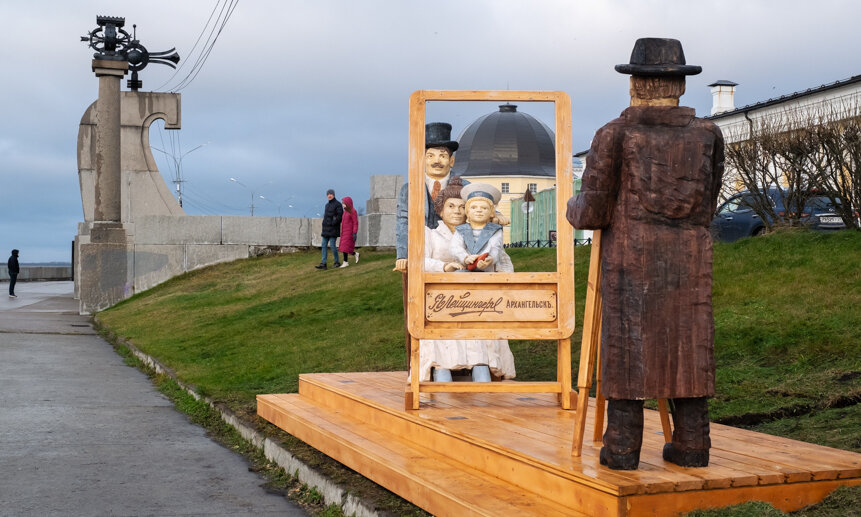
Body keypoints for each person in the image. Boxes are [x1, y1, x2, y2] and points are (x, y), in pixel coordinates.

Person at [566, 38, 724, 470]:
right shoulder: (708, 134)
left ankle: (621, 449)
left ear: (634, 84)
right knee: (689, 347)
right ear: (682, 87)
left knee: (627, 350)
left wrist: (570, 206)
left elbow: (592, 209)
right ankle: (694, 446)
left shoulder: (616, 134)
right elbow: (708, 202)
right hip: (690, 257)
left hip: (631, 258)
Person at [418, 178, 516, 382]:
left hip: (478, 298)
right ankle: (442, 370)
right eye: (450, 206)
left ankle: (481, 369)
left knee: (479, 325)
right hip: (441, 299)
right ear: (441, 211)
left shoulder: (481, 234)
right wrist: (444, 266)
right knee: (443, 328)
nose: (456, 211)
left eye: (462, 207)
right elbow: (419, 262)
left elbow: (502, 260)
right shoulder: (431, 235)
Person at [450, 183, 506, 272]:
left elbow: (495, 247)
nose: (479, 210)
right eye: (473, 207)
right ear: (467, 212)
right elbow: (455, 247)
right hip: (465, 270)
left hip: (487, 271)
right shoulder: (461, 230)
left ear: (491, 212)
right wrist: (465, 258)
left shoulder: (495, 230)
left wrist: (489, 259)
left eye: (484, 208)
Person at [316, 189, 343, 270]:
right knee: (323, 245)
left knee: (332, 246)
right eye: (328, 194)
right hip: (326, 229)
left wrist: (333, 223)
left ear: (333, 195)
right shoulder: (327, 205)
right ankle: (323, 264)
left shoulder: (338, 204)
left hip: (333, 229)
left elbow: (339, 217)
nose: (329, 195)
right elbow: (326, 217)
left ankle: (337, 262)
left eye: (331, 194)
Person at [338, 196, 359, 267]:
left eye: (343, 203)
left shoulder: (353, 211)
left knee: (345, 247)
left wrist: (354, 232)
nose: (342, 204)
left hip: (350, 232)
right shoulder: (345, 212)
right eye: (342, 203)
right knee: (345, 247)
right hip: (344, 232)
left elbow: (355, 222)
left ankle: (345, 262)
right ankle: (355, 254)